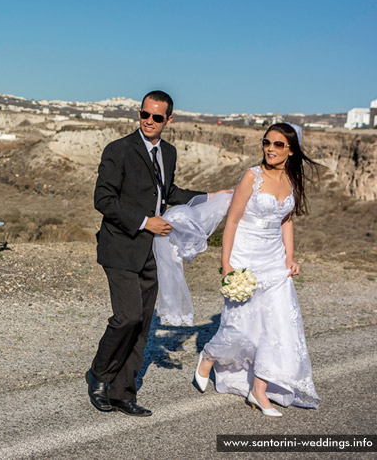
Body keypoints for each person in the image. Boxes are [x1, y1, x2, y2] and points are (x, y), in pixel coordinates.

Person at [87, 90, 215, 416]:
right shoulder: (119, 150)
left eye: (157, 117)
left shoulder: (168, 152)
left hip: (154, 253)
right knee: (127, 317)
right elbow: (103, 199)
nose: (149, 121)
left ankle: (123, 392)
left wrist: (210, 197)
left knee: (142, 323)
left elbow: (168, 192)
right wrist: (146, 222)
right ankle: (99, 376)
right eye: (145, 114)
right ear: (139, 113)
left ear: (168, 120)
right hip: (121, 246)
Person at [194, 122, 321, 416]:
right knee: (240, 328)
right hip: (245, 258)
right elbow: (233, 221)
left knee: (279, 327)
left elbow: (286, 221)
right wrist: (227, 265)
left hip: (275, 261)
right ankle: (210, 355)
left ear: (290, 150)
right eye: (267, 143)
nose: (270, 149)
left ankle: (259, 391)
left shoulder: (292, 179)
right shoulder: (252, 176)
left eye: (278, 145)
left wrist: (290, 257)